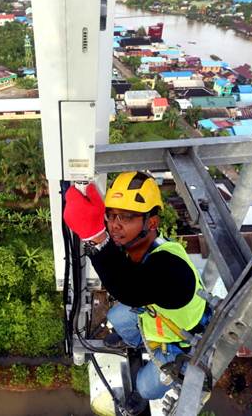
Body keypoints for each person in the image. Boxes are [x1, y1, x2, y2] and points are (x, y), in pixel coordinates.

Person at [64, 171, 208, 414]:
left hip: (179, 340)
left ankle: (141, 395)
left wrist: (96, 237)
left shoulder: (171, 269)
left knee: (146, 385)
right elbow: (126, 278)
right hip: (157, 316)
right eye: (110, 216)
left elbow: (130, 291)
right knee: (116, 317)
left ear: (151, 222)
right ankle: (133, 342)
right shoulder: (142, 244)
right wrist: (102, 231)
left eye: (127, 217)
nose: (114, 225)